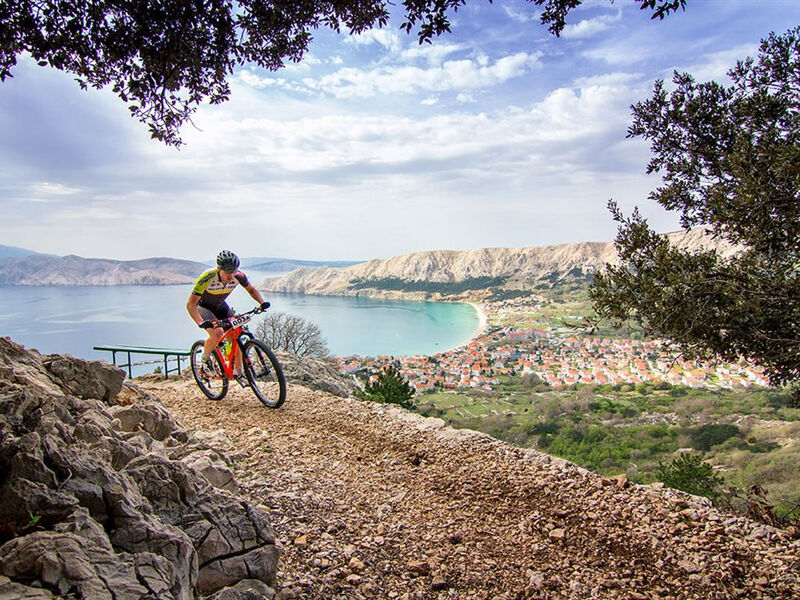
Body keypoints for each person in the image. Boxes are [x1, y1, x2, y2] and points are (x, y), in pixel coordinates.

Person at [187, 250, 269, 378]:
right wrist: (200, 322)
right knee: (217, 333)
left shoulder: (239, 276)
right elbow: (191, 304)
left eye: (233, 272)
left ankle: (238, 371)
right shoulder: (207, 277)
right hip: (203, 306)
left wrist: (262, 302)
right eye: (227, 273)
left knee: (236, 334)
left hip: (220, 306)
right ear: (219, 268)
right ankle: (205, 361)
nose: (231, 276)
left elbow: (251, 290)